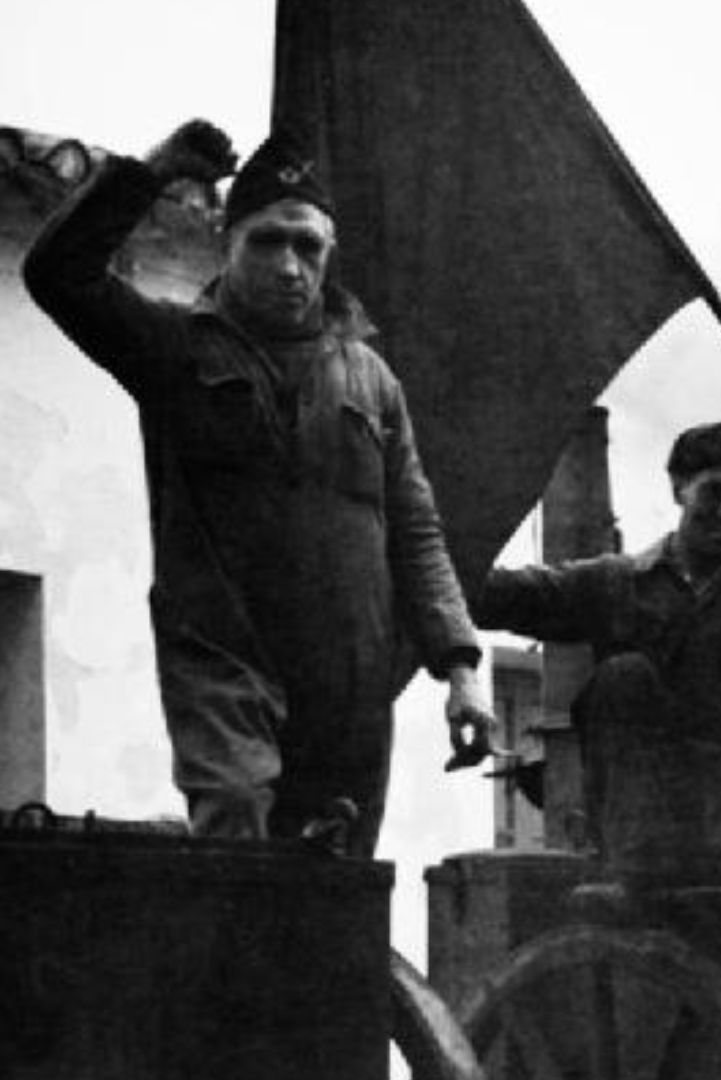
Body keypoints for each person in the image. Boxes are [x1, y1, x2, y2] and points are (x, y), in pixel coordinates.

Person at [22, 119, 493, 856]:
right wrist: (150, 174)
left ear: (330, 257)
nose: (289, 266)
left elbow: (417, 531)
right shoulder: (173, 348)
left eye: (308, 246)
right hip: (225, 664)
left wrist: (461, 670)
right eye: (267, 241)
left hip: (348, 682)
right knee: (238, 850)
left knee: (336, 891)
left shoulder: (372, 382)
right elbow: (57, 277)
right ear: (226, 244)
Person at [473, 420, 721, 1070]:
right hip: (645, 806)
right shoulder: (613, 582)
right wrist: (438, 544)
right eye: (715, 491)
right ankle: (636, 875)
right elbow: (505, 595)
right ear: (680, 486)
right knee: (623, 677)